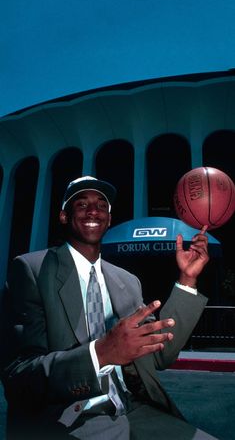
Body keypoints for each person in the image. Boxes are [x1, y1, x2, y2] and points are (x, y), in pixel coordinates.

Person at [0, 176, 218, 440]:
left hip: (132, 410)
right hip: (69, 420)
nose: (93, 210)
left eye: (101, 205)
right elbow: (19, 378)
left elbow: (160, 355)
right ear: (63, 216)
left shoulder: (126, 281)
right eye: (81, 204)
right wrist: (101, 354)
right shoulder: (32, 270)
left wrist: (187, 278)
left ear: (109, 219)